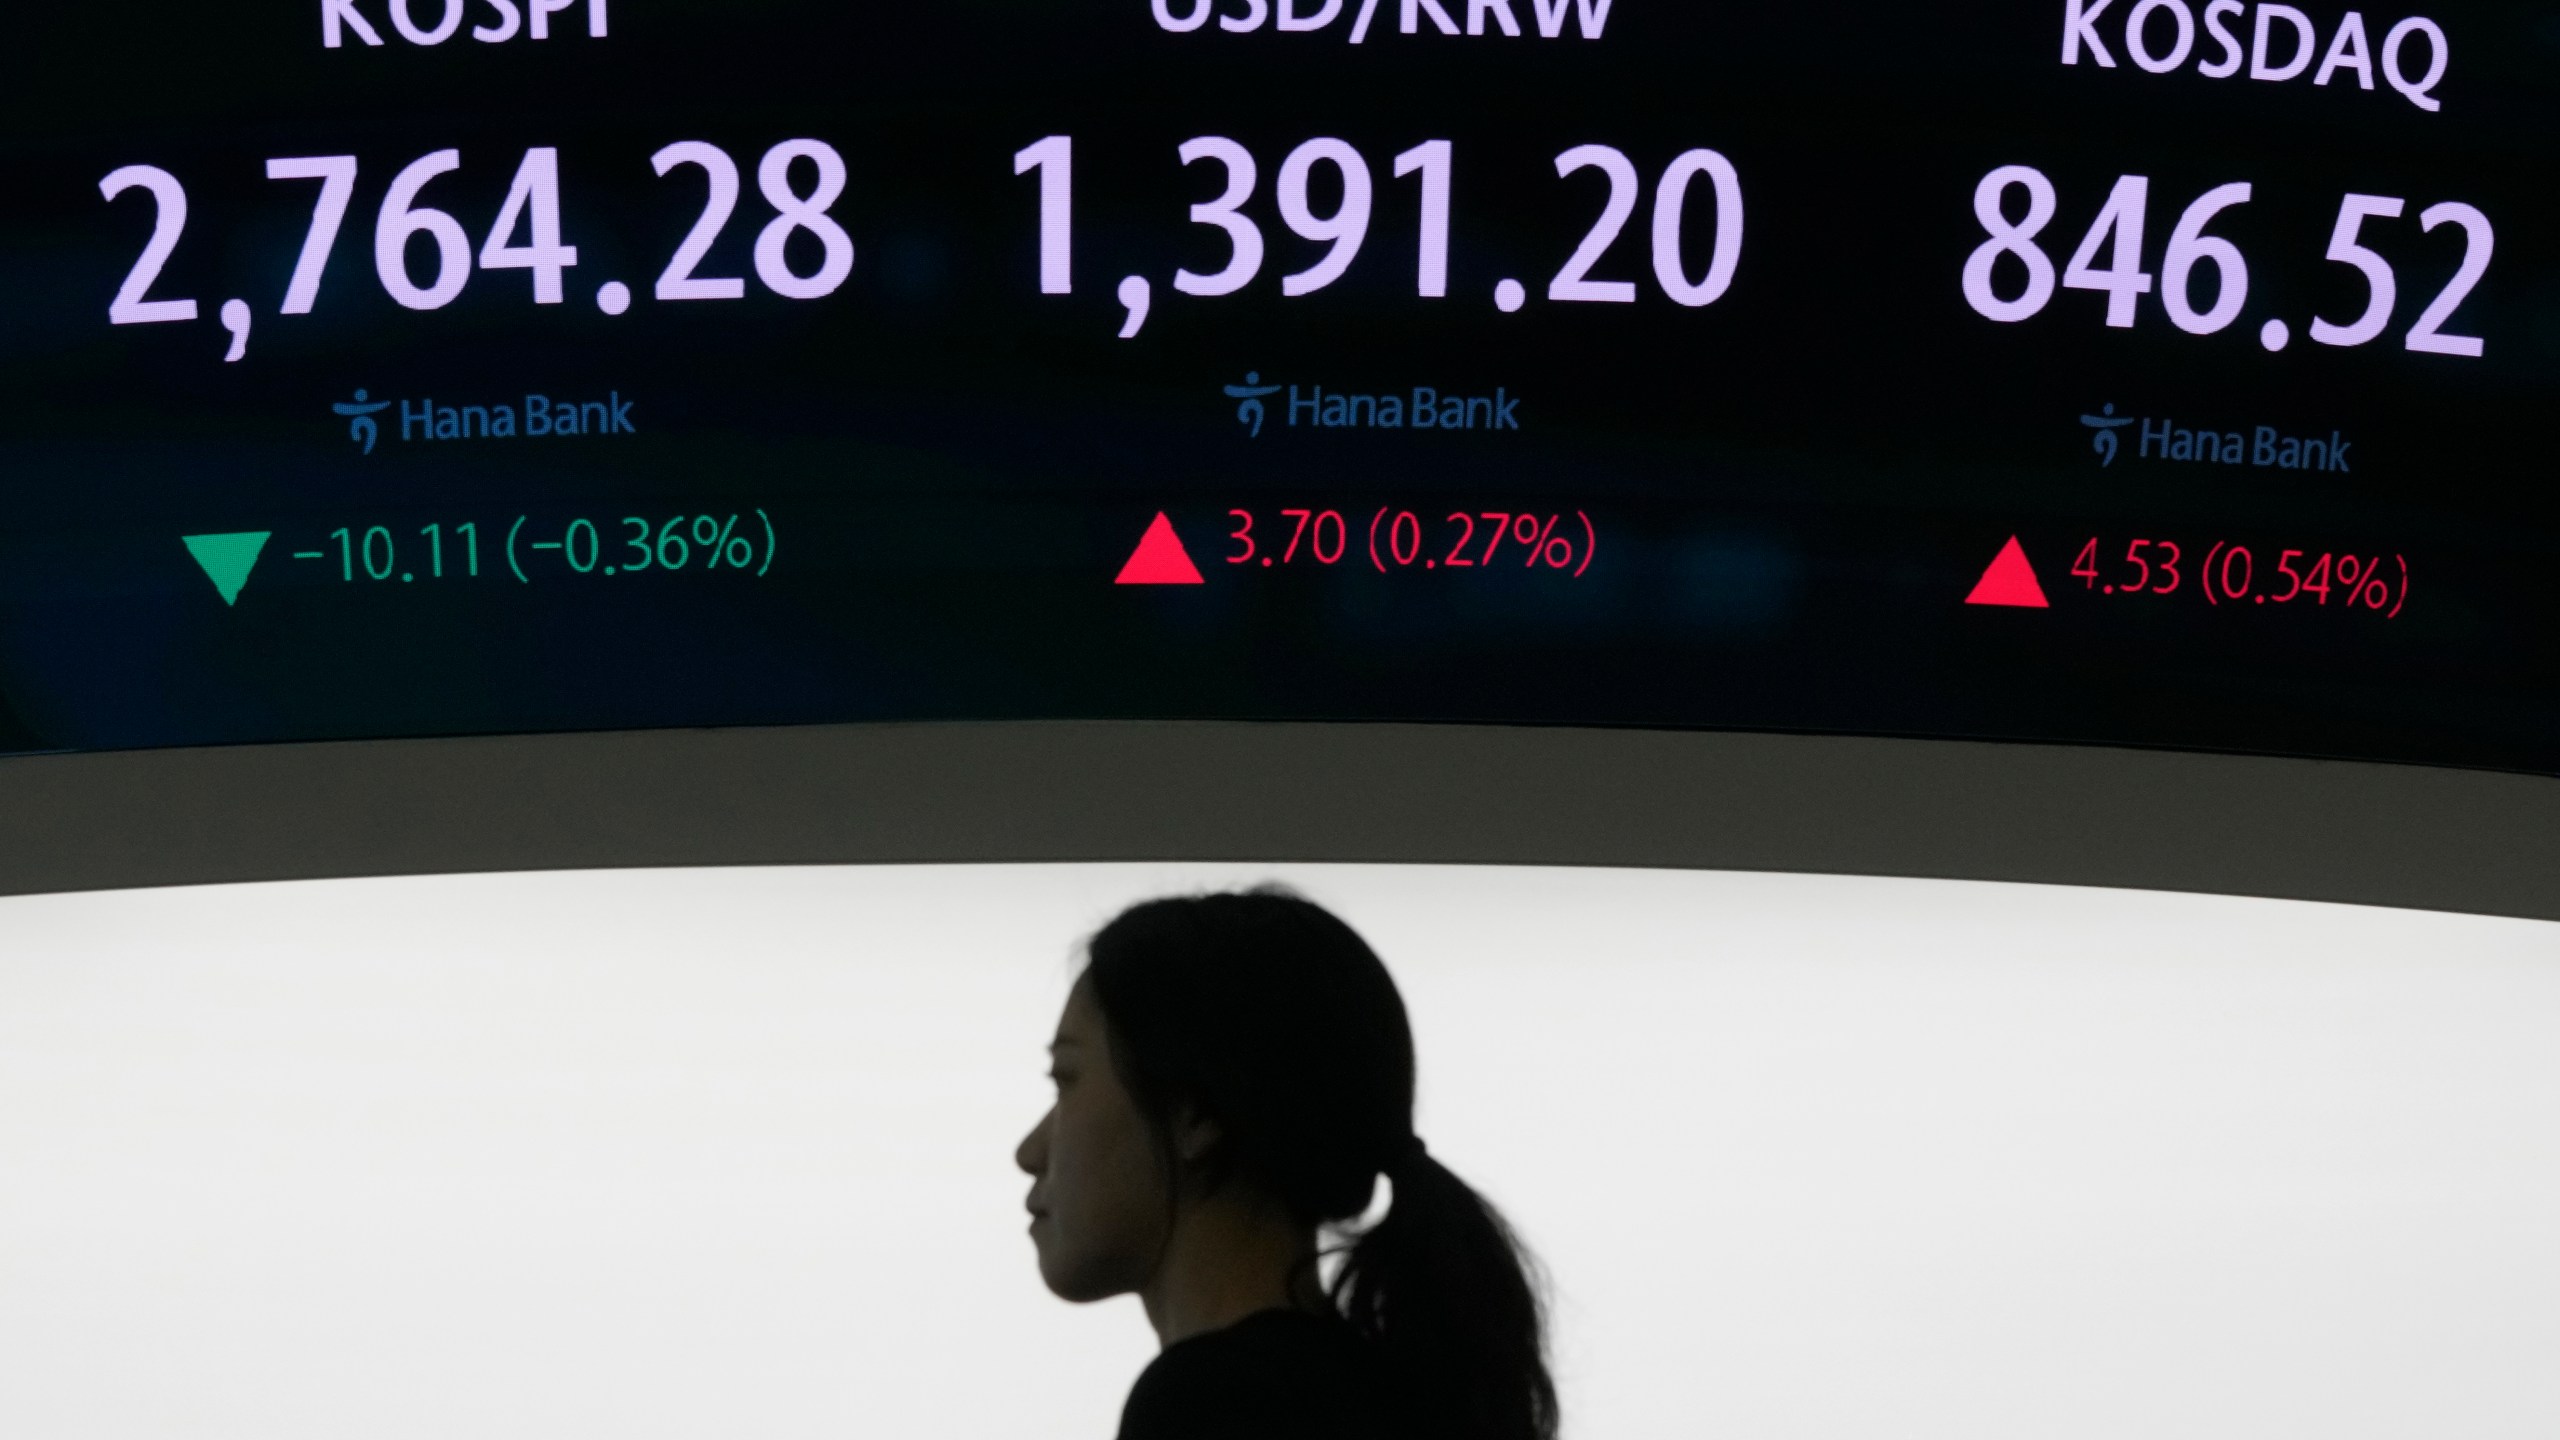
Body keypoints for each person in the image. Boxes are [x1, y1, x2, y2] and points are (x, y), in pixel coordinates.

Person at [1015, 888, 1557, 1440]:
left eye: (1067, 1079)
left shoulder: (1215, 1404)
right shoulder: (1384, 1395)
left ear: (1194, 1115)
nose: (1028, 1151)